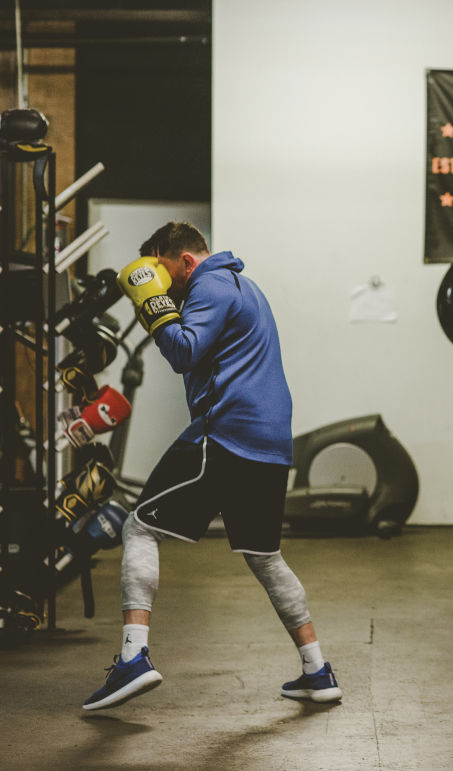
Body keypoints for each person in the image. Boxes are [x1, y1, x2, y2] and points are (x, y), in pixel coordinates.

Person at [83, 222, 342, 710]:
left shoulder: (210, 284)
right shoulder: (245, 285)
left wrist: (154, 307)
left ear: (184, 261)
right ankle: (317, 669)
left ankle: (134, 658)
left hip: (226, 432)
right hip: (268, 442)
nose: (161, 283)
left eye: (161, 271)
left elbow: (183, 351)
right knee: (265, 555)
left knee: (139, 529)